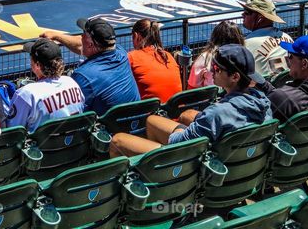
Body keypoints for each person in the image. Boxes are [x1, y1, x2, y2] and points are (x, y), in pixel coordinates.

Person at [109, 45, 272, 157]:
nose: (211, 71)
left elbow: (180, 144)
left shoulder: (217, 113)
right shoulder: (263, 101)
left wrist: (180, 131)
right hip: (236, 160)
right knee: (152, 120)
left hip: (193, 162)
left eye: (216, 69)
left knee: (118, 141)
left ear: (235, 77)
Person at [41, 17, 140, 114]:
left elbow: (74, 112)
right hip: (136, 120)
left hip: (108, 128)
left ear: (90, 44)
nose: (81, 36)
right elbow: (81, 46)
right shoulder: (121, 52)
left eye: (83, 34)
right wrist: (56, 36)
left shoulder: (83, 75)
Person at [6, 38, 85, 132]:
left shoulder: (27, 94)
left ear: (38, 65)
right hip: (76, 143)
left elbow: (13, 131)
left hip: (41, 146)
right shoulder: (72, 83)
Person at [256, 35, 308, 122]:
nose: (288, 60)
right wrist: (263, 84)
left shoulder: (284, 98)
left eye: (290, 56)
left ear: (304, 64)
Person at [127, 19, 182, 102]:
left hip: (152, 111)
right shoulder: (168, 56)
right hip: (175, 109)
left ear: (136, 36)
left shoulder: (132, 57)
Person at [241, 0, 292, 78]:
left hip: (265, 90)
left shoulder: (247, 44)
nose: (242, 15)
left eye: (247, 13)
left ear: (260, 18)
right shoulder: (287, 37)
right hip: (290, 86)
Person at [188, 20, 245, 89]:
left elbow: (192, 87)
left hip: (214, 98)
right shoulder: (245, 55)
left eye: (217, 70)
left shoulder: (205, 58)